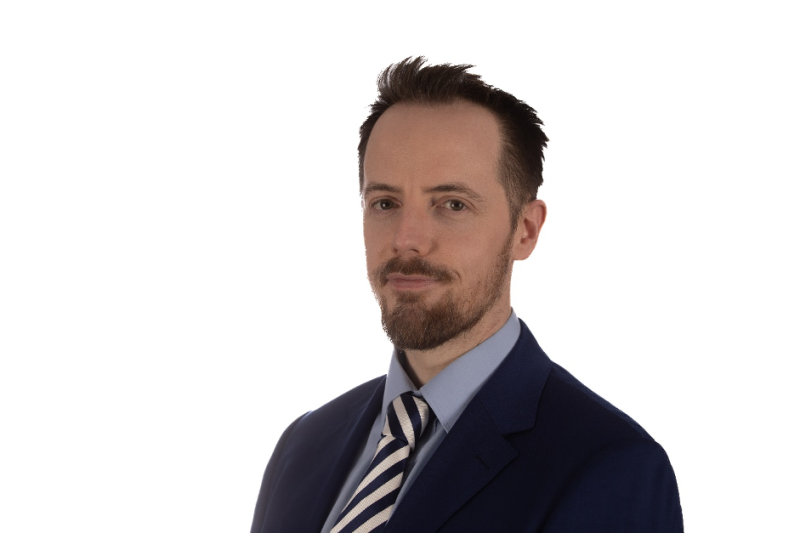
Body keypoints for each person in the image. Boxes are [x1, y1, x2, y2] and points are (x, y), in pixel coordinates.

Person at [250, 57, 683, 533]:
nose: (407, 238)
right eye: (385, 203)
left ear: (525, 229)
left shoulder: (610, 467)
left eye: (452, 204)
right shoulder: (303, 446)